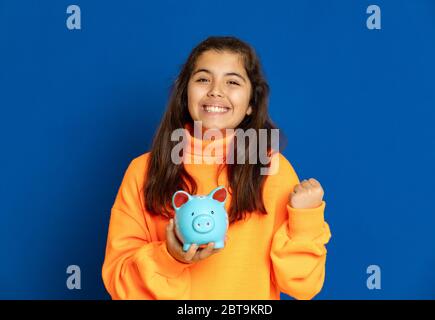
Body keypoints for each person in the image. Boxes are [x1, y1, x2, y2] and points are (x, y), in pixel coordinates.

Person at [102, 36, 331, 300]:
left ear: (250, 105)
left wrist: (305, 221)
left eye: (232, 82)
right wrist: (170, 257)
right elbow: (119, 284)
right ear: (184, 93)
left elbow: (303, 287)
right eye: (202, 79)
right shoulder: (143, 171)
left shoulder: (272, 169)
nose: (215, 90)